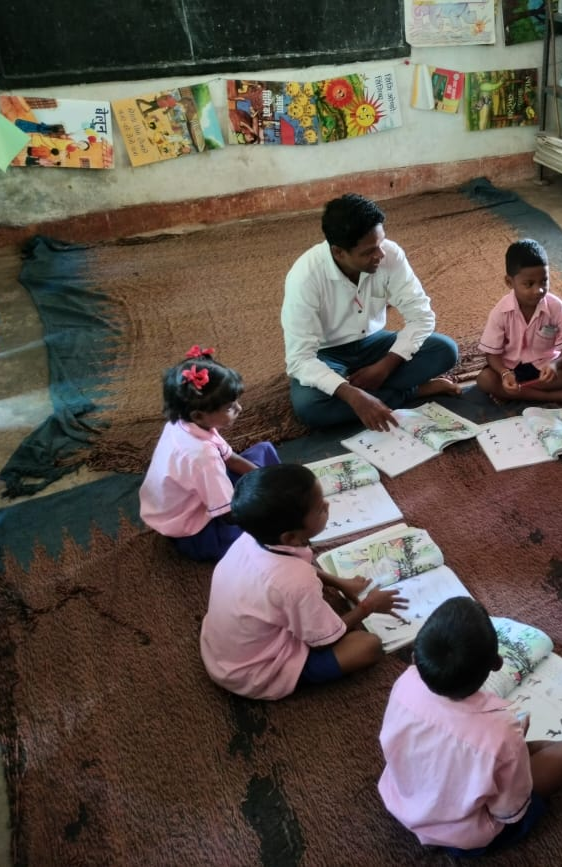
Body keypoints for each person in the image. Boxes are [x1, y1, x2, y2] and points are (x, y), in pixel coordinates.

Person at [378, 597, 562, 856]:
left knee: (509, 753)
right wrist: (513, 748)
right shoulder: (501, 732)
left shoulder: (405, 682)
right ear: (497, 664)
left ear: (415, 657)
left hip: (401, 798)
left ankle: (511, 757)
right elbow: (507, 809)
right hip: (463, 838)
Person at [200, 463, 405, 700]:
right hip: (251, 672)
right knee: (368, 646)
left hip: (223, 647)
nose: (327, 505)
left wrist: (340, 583)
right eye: (319, 510)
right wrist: (368, 607)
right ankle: (286, 676)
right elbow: (323, 642)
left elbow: (295, 569)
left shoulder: (252, 538)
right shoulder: (296, 583)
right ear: (290, 537)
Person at [282, 193, 460, 431]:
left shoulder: (390, 254)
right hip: (326, 353)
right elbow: (300, 359)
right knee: (310, 407)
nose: (380, 255)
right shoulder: (305, 278)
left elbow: (421, 316)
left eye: (380, 243)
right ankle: (413, 391)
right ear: (338, 252)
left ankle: (377, 392)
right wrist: (352, 395)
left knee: (445, 350)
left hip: (374, 343)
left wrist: (386, 365)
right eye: (368, 252)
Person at [140, 346, 281, 562]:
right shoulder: (202, 457)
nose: (240, 409)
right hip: (193, 531)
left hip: (189, 495)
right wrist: (268, 507)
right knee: (259, 534)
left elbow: (231, 459)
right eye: (230, 407)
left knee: (264, 450)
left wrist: (269, 481)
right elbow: (229, 515)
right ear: (198, 415)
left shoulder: (184, 422)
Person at [475, 238, 562, 405]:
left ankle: (519, 392)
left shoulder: (556, 307)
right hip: (511, 370)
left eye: (544, 281)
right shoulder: (500, 312)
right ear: (509, 282)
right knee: (485, 380)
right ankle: (553, 396)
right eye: (529, 284)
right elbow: (492, 354)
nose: (539, 290)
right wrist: (504, 373)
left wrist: (555, 364)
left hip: (545, 370)